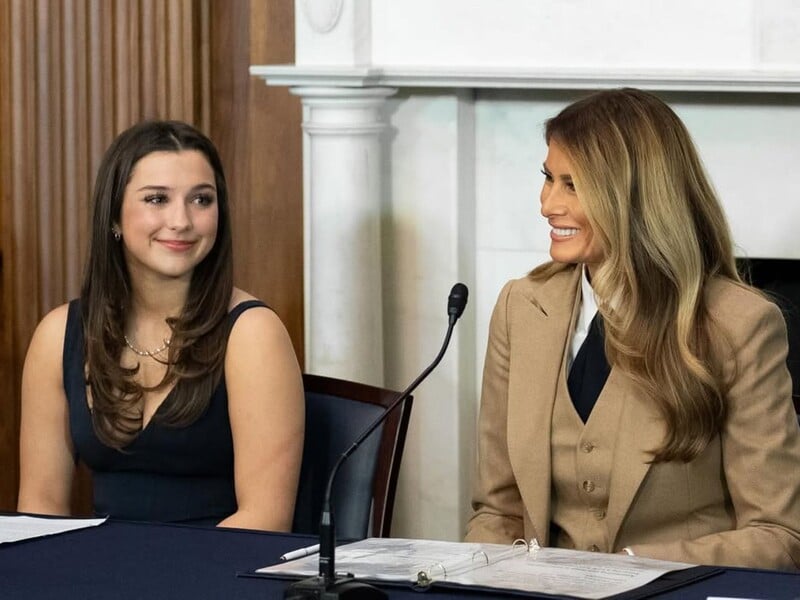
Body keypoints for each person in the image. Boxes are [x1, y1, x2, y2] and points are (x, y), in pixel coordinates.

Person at [465, 88, 800, 570]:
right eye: (548, 179)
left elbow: (778, 536)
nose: (546, 204)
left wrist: (630, 570)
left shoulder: (740, 324)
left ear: (633, 196)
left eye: (572, 185)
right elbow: (497, 511)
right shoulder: (520, 307)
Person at [18, 120, 305, 531]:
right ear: (114, 216)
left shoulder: (253, 333)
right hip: (100, 575)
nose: (181, 221)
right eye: (157, 199)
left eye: (201, 200)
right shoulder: (59, 333)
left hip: (217, 575)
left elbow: (265, 520)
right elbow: (41, 505)